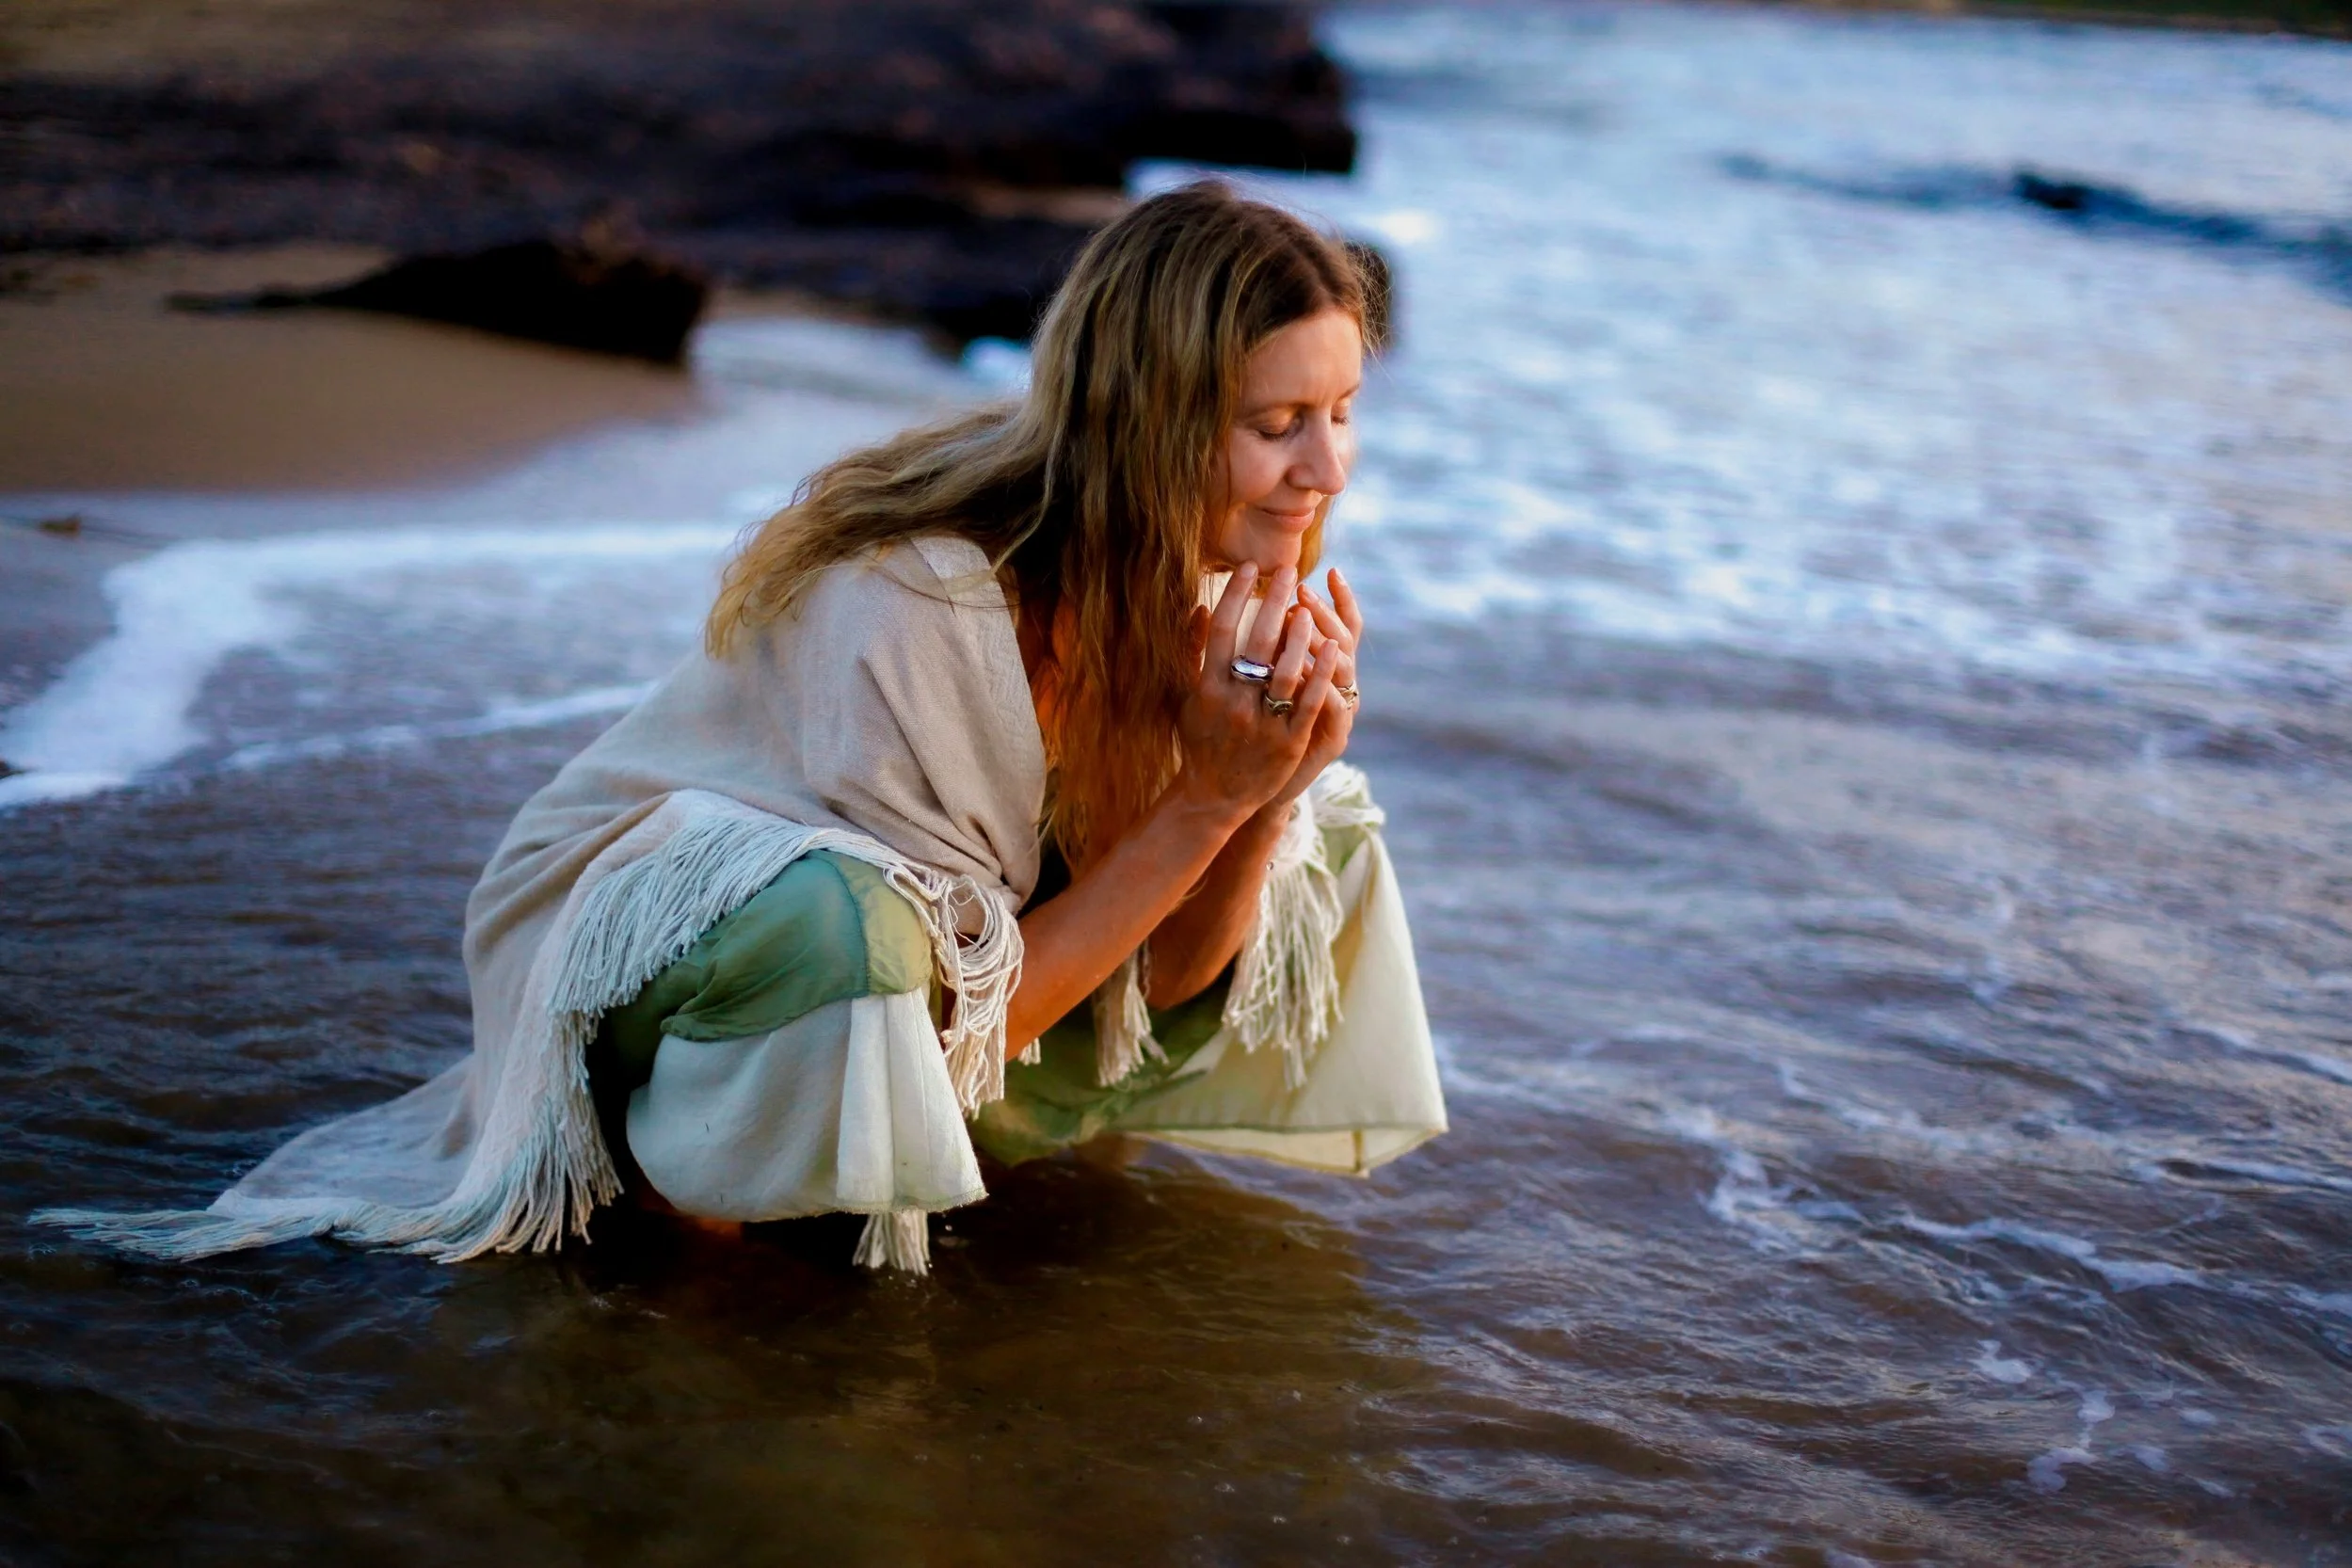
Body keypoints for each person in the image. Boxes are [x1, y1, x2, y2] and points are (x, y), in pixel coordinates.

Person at [38, 183, 1448, 1273]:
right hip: (636, 936)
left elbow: (1179, 976)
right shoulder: (930, 597)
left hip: (922, 972)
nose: (1325, 468)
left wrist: (1262, 787)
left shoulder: (1202, 575)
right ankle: (682, 1220)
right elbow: (953, 1015)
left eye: (1340, 412)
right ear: (1146, 416)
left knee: (1321, 832)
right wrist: (1204, 805)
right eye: (1277, 422)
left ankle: (981, 1170)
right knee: (855, 924)